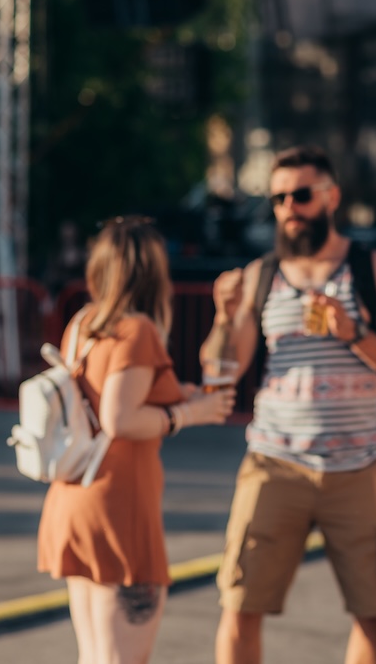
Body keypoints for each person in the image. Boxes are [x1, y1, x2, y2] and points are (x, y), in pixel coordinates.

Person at [200, 145, 376, 664]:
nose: (288, 208)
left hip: (358, 465)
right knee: (239, 605)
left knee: (373, 610)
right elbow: (223, 370)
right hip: (273, 462)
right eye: (277, 198)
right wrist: (222, 315)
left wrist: (354, 332)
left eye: (300, 195)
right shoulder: (261, 276)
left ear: (331, 198)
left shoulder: (373, 269)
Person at [36, 216, 237, 664]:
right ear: (152, 271)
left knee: (95, 655)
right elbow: (120, 417)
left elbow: (104, 394)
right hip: (119, 508)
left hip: (75, 496)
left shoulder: (84, 323)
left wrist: (175, 394)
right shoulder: (139, 330)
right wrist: (189, 413)